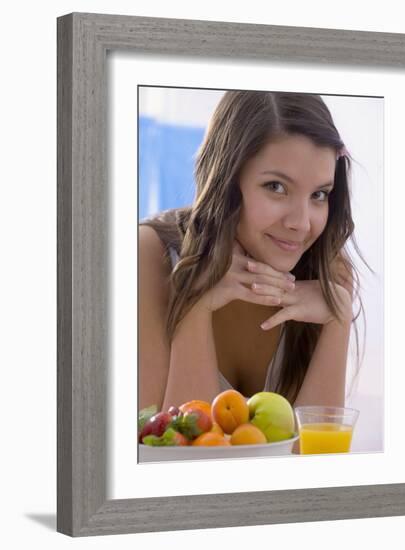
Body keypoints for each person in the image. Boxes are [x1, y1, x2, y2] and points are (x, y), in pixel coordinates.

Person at [139, 90, 363, 413]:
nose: (301, 224)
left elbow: (315, 458)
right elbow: (170, 452)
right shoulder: (149, 256)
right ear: (227, 181)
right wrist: (195, 305)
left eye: (319, 194)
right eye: (276, 187)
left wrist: (338, 321)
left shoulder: (329, 273)